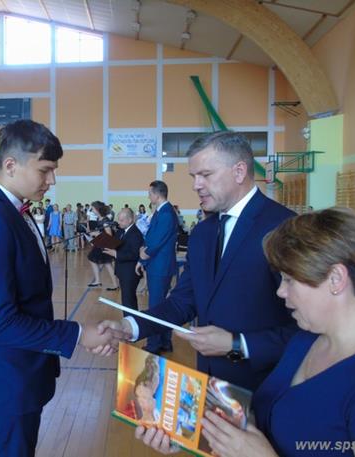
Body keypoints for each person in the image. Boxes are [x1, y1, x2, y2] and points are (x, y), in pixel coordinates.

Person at [144, 208, 355, 456]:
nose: (281, 291)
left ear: (336, 279)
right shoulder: (304, 341)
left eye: (290, 280)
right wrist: (197, 431)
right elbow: (271, 424)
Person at [0, 119, 125, 457]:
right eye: (45, 170)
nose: (52, 180)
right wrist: (78, 334)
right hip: (2, 380)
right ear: (10, 165)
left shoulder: (15, 211)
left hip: (21, 373)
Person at [99, 131, 297, 392]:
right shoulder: (203, 233)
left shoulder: (286, 228)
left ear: (239, 172)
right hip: (211, 384)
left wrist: (238, 344)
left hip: (267, 387)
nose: (196, 185)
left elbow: (308, 329)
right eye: (194, 176)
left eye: (205, 175)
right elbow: (183, 300)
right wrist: (130, 326)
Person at [137, 180, 179, 354]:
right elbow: (151, 236)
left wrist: (143, 255)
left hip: (160, 267)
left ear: (157, 194)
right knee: (161, 306)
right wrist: (143, 258)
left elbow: (156, 241)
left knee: (155, 307)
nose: (148, 196)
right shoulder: (161, 212)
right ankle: (165, 341)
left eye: (150, 193)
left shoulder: (166, 213)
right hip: (157, 265)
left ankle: (154, 344)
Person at [103, 208, 144, 315]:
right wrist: (102, 240)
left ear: (130, 220)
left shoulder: (135, 234)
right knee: (126, 300)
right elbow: (116, 244)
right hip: (123, 271)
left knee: (128, 301)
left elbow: (134, 254)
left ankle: (130, 321)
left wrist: (116, 254)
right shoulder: (122, 230)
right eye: (118, 220)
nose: (119, 222)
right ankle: (129, 320)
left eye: (121, 220)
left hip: (130, 272)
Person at [87, 200, 118, 290]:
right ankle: (98, 281)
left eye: (93, 209)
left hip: (105, 244)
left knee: (107, 264)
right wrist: (95, 233)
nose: (92, 210)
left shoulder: (105, 220)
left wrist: (96, 234)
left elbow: (109, 235)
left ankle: (114, 284)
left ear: (97, 209)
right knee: (94, 259)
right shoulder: (99, 219)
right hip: (101, 243)